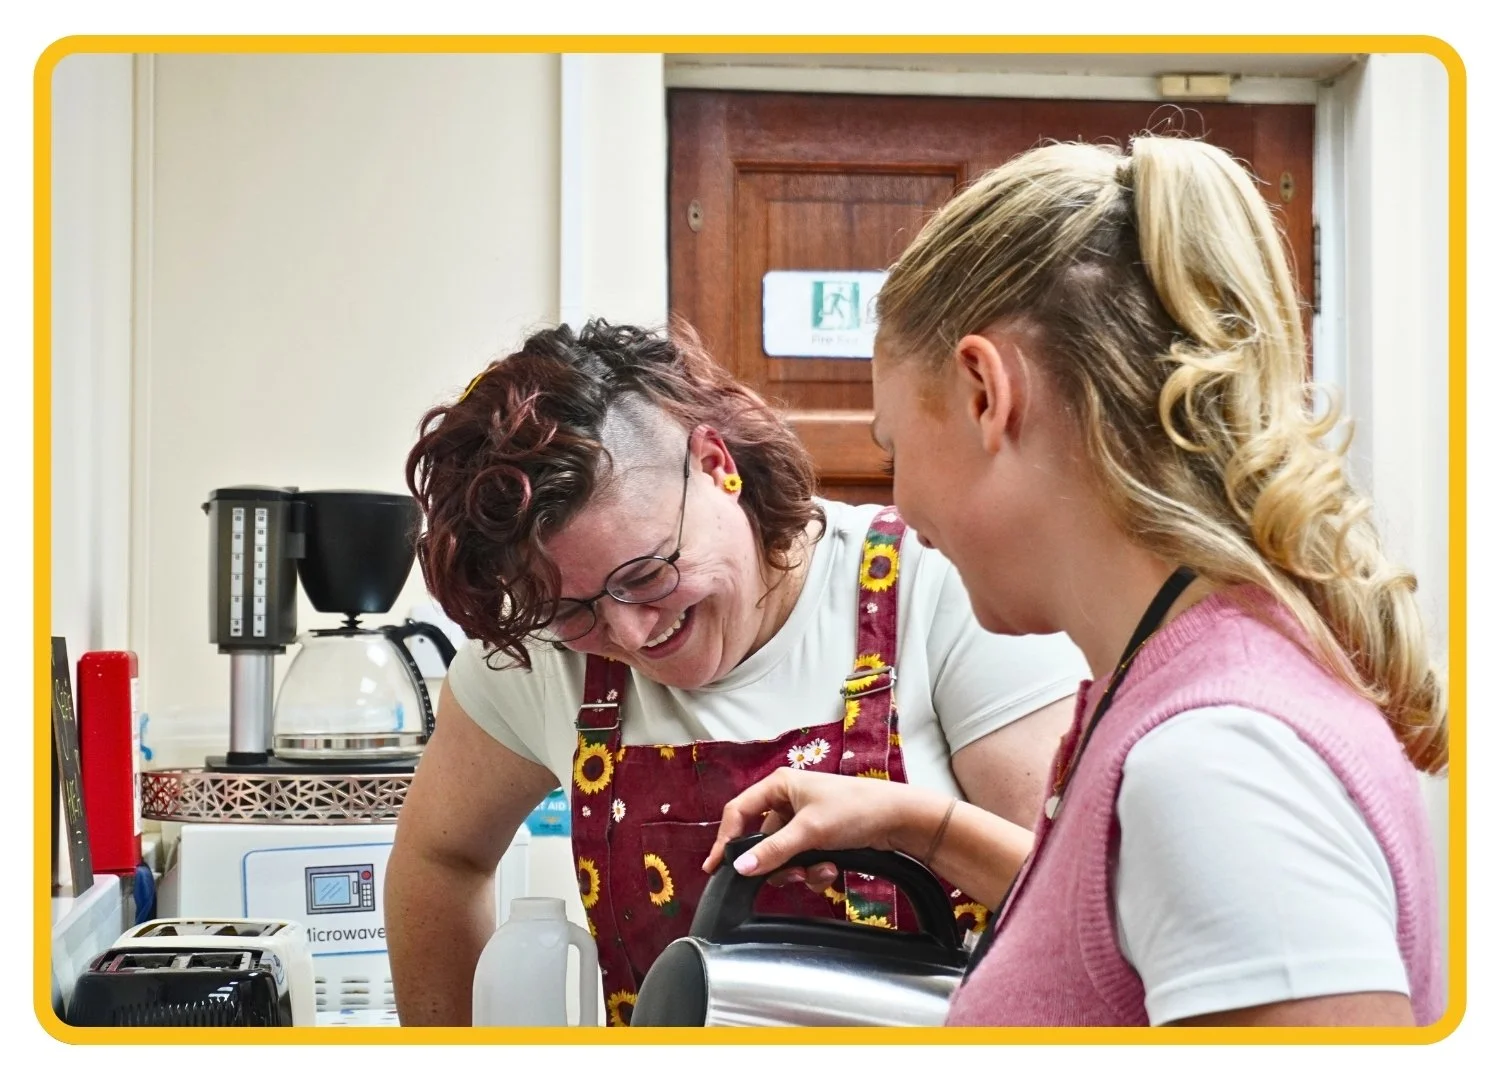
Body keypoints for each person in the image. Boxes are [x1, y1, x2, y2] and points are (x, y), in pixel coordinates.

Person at [707, 135, 1447, 1028]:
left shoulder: (1214, 760)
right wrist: (923, 827)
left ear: (986, 393)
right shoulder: (1161, 684)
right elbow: (1132, 943)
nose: (897, 498)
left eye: (893, 446)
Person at [385, 319, 1089, 1026]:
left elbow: (1080, 909)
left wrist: (919, 829)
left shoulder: (941, 592)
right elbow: (441, 861)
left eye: (648, 573)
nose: (630, 634)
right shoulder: (544, 651)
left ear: (717, 464)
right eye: (576, 611)